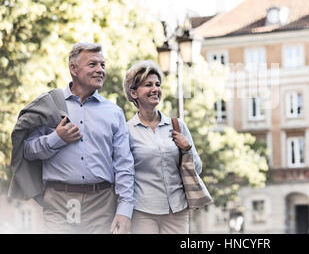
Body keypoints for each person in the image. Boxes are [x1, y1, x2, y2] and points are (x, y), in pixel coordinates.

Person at [19, 42, 135, 234]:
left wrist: (124, 211)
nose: (100, 70)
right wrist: (56, 139)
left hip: (101, 203)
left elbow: (124, 164)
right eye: (93, 64)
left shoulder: (114, 112)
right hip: (58, 201)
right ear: (73, 68)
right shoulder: (48, 105)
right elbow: (27, 150)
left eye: (103, 65)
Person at [123, 60, 202, 234]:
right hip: (143, 210)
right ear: (134, 92)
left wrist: (187, 149)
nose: (155, 89)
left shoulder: (177, 125)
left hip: (178, 209)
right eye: (148, 85)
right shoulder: (126, 131)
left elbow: (197, 169)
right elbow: (123, 173)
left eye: (157, 84)